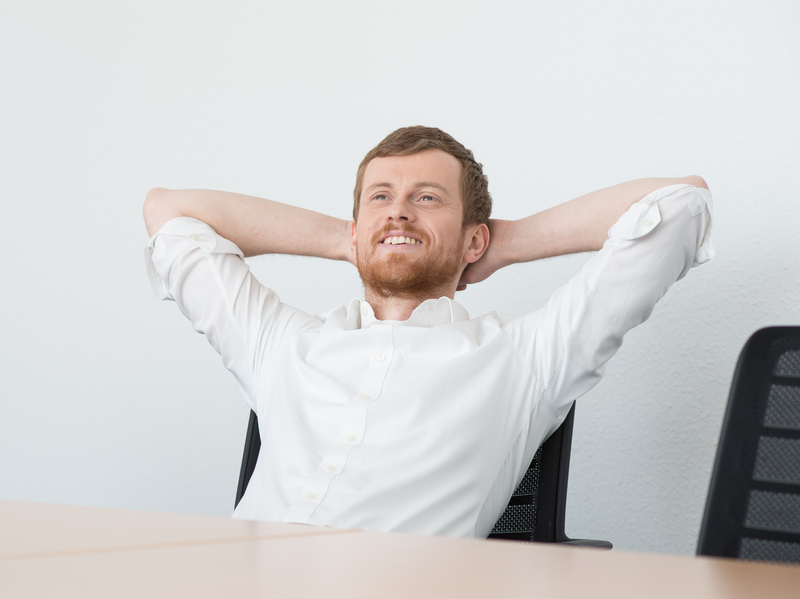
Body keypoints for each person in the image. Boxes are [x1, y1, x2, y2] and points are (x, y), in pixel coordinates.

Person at [143, 126, 714, 538]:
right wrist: (346, 239)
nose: (399, 213)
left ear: (473, 239)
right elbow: (167, 212)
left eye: (427, 199)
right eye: (381, 198)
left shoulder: (528, 356)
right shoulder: (278, 342)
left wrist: (499, 243)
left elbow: (680, 205)